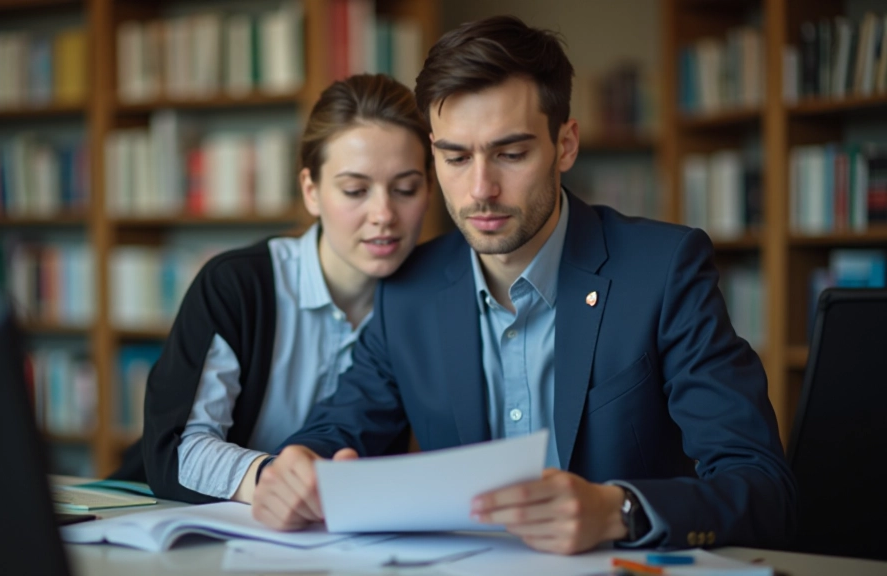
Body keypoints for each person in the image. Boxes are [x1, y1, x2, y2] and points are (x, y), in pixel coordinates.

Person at [250, 16, 797, 554]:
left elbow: (763, 487)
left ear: (565, 145)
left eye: (511, 154)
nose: (481, 189)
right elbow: (333, 433)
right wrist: (294, 469)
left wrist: (617, 510)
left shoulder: (664, 270)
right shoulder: (407, 291)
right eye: (455, 157)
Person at [141, 73, 432, 504]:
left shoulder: (432, 301)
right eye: (355, 190)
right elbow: (178, 453)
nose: (384, 213)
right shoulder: (238, 286)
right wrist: (276, 479)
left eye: (406, 188)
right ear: (311, 192)